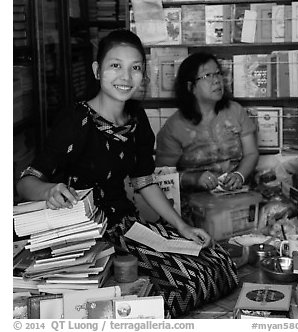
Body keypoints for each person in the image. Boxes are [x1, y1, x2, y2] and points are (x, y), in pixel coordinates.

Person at [16, 30, 238, 319]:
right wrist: (48, 191)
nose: (126, 76)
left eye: (135, 68)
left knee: (219, 260)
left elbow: (144, 181)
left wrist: (182, 227)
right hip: (88, 235)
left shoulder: (137, 119)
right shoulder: (76, 120)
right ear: (98, 70)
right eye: (115, 66)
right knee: (181, 285)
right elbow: (25, 181)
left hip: (127, 223)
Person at [156, 51, 259, 195]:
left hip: (236, 195)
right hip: (195, 202)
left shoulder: (235, 111)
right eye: (207, 76)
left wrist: (239, 175)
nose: (216, 80)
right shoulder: (174, 127)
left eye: (217, 74)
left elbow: (251, 153)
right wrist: (193, 179)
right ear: (190, 87)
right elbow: (162, 177)